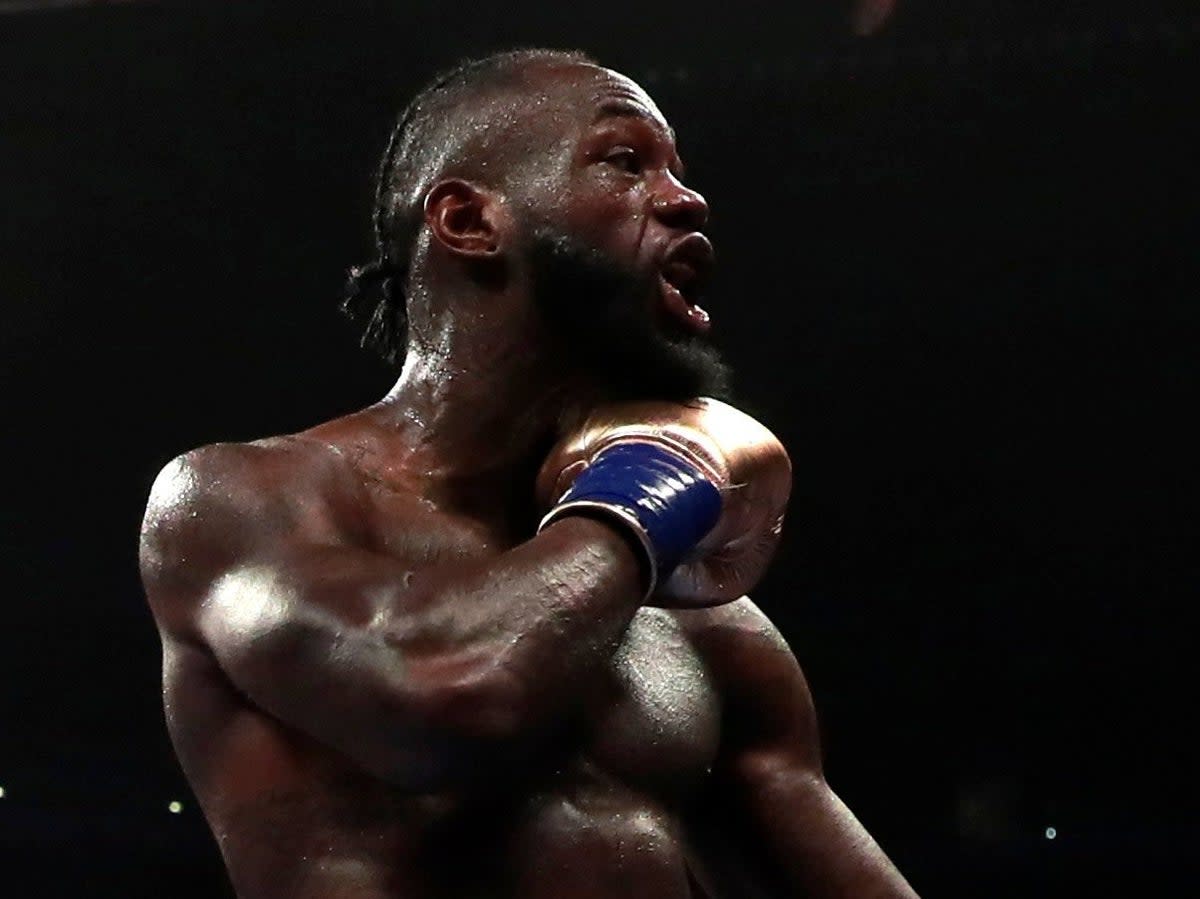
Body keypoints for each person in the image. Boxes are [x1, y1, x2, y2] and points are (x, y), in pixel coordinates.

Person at [139, 48, 919, 899]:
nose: (685, 199)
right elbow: (448, 697)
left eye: (677, 171)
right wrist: (654, 484)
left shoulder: (707, 623)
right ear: (469, 220)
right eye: (626, 160)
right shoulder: (248, 501)